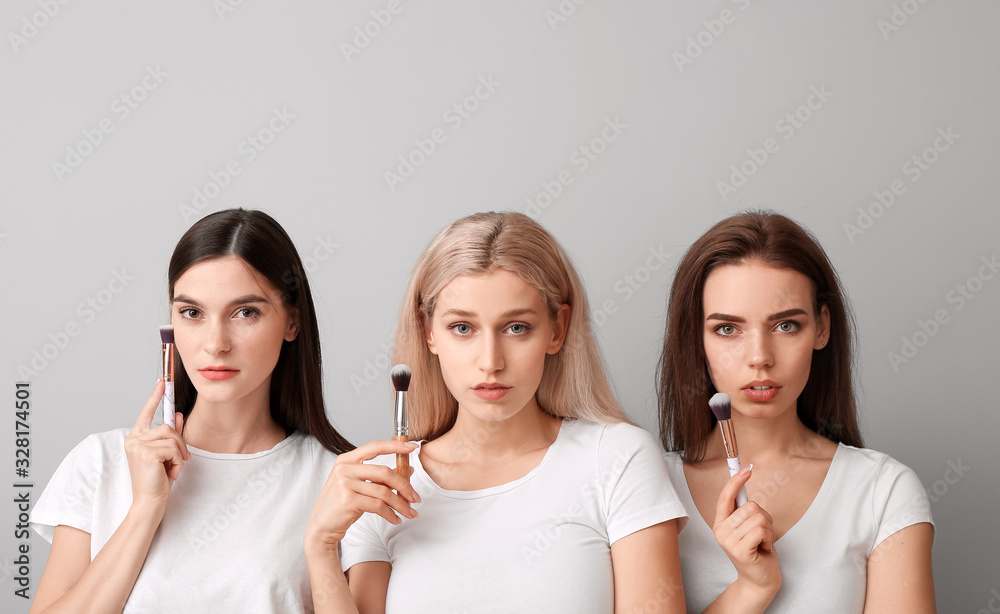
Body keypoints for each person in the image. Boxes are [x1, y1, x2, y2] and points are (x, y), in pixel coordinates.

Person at [305, 211, 688, 613]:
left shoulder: (617, 459)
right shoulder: (387, 483)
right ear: (427, 331)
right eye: (463, 328)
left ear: (557, 329)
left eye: (516, 327)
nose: (490, 362)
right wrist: (320, 546)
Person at [30, 208, 355, 613]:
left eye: (246, 312)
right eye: (192, 313)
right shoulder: (101, 463)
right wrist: (145, 510)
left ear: (292, 322)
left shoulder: (336, 480)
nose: (216, 343)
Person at [657, 210, 935, 613]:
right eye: (727, 329)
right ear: (695, 338)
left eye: (785, 325)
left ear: (822, 328)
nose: (759, 358)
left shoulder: (883, 492)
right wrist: (752, 588)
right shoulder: (648, 486)